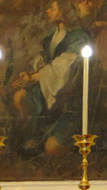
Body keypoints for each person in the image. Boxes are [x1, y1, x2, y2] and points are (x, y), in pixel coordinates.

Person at [12, 0, 89, 156]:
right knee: (20, 96)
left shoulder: (79, 37)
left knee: (52, 148)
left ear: (65, 11)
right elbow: (45, 59)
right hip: (49, 90)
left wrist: (33, 78)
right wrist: (30, 73)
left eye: (52, 8)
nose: (48, 11)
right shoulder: (51, 35)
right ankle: (34, 134)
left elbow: (63, 68)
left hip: (69, 98)